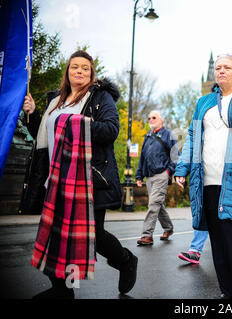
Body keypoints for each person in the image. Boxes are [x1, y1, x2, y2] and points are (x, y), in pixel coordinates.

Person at [23, 50, 138, 298]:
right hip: (55, 179)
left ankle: (126, 260)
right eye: (75, 67)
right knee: (59, 236)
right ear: (68, 71)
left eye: (85, 68)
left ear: (91, 73)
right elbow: (45, 135)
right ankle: (63, 290)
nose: (80, 71)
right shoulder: (55, 100)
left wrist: (74, 122)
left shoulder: (100, 97)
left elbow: (110, 129)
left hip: (87, 179)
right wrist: (32, 114)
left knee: (93, 235)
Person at [174, 53, 232, 299]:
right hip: (207, 180)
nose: (221, 71)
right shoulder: (204, 101)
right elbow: (193, 137)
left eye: (227, 67)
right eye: (218, 68)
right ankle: (227, 292)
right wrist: (182, 167)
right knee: (217, 239)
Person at [136, 110, 178, 246]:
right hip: (149, 176)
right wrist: (139, 175)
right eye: (149, 118)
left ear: (161, 120)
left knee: (153, 204)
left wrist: (168, 171)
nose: (150, 120)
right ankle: (169, 228)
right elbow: (142, 157)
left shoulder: (169, 135)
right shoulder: (147, 137)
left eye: (154, 117)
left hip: (161, 174)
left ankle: (147, 235)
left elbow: (176, 156)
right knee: (158, 205)